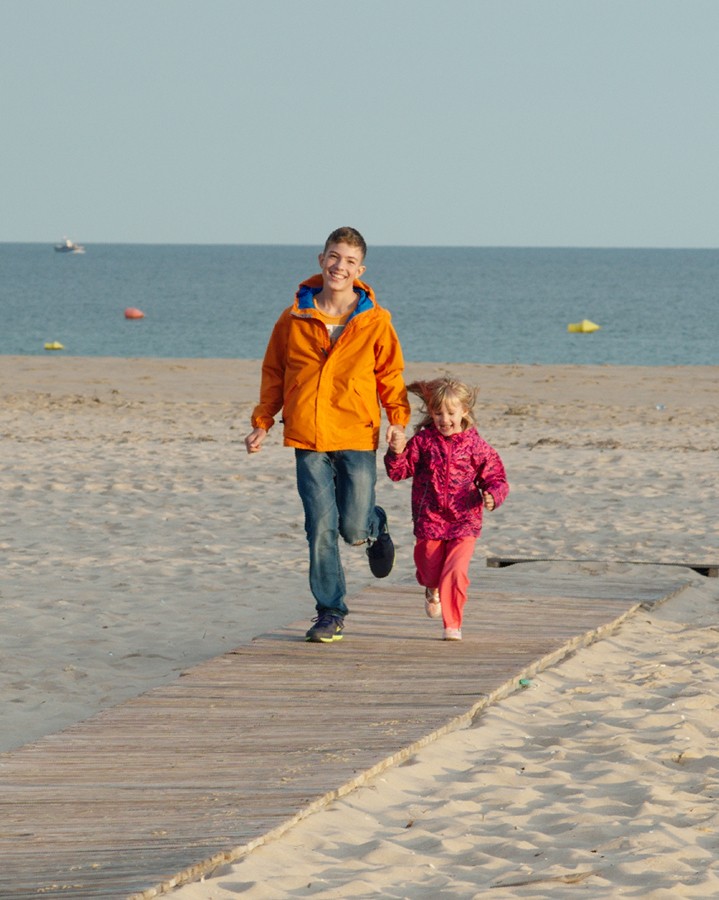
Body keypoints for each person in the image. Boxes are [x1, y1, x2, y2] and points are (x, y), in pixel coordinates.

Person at [245, 227, 410, 643]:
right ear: (321, 260)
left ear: (361, 269)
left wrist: (398, 420)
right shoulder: (292, 318)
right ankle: (330, 612)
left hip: (356, 433)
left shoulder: (376, 321)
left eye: (350, 261)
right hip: (307, 436)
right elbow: (275, 373)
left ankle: (376, 524)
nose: (340, 266)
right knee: (320, 526)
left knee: (352, 529)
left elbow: (390, 375)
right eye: (334, 257)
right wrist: (262, 421)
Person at [384, 377, 509, 641]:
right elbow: (399, 472)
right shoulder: (423, 442)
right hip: (429, 520)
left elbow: (497, 477)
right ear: (431, 413)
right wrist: (396, 452)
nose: (444, 419)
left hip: (465, 521)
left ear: (464, 411)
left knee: (455, 571)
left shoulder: (476, 446)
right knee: (430, 570)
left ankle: (452, 624)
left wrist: (492, 496)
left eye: (451, 413)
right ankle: (431, 587)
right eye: (438, 413)